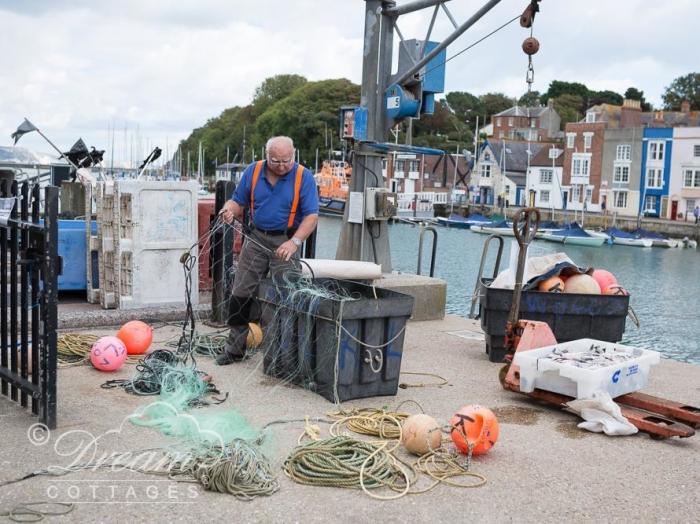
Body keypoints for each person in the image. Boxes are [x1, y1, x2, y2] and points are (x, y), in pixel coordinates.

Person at [217, 136, 319, 365]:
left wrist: (294, 242)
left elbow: (311, 215)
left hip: (286, 240)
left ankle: (280, 355)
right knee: (240, 293)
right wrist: (228, 210)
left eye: (287, 160)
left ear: (293, 155)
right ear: (266, 156)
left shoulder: (304, 176)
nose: (282, 165)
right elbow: (237, 201)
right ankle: (234, 349)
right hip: (256, 238)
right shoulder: (253, 172)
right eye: (276, 161)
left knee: (283, 297)